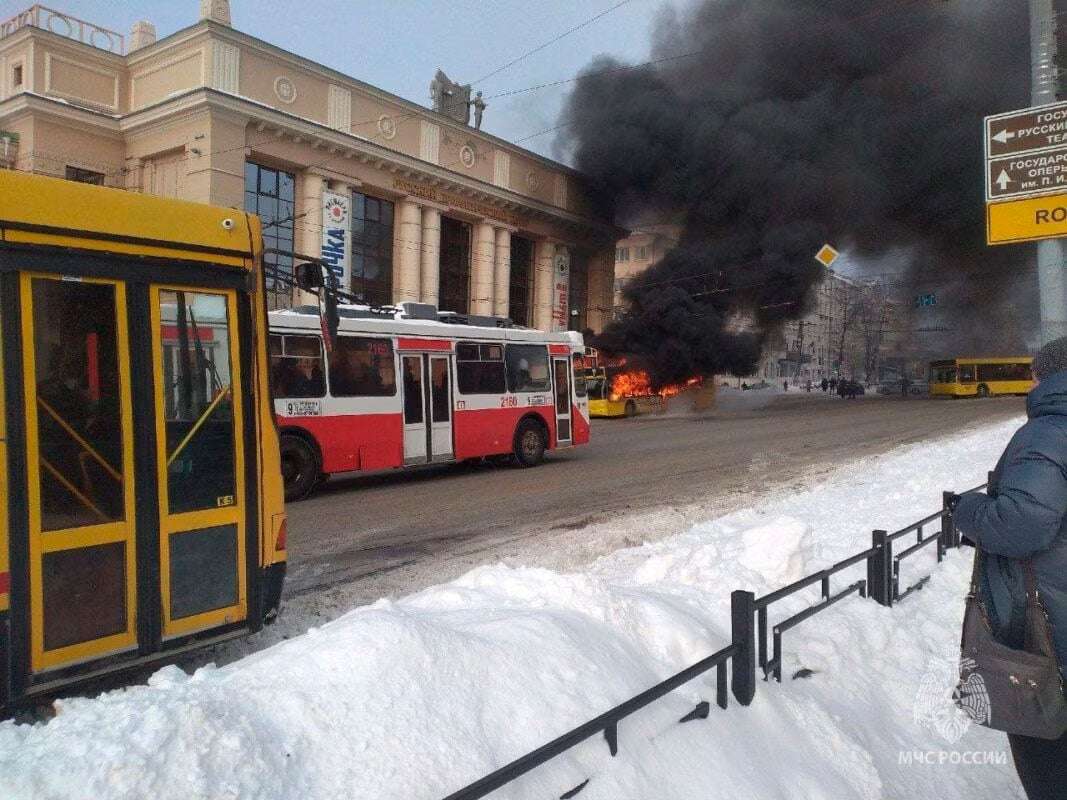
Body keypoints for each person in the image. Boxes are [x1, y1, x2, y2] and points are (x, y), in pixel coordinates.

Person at [953, 336, 1067, 800]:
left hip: (1052, 629)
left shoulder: (1049, 431)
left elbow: (1023, 524)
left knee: (1048, 752)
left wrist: (967, 510)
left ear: (1045, 376)